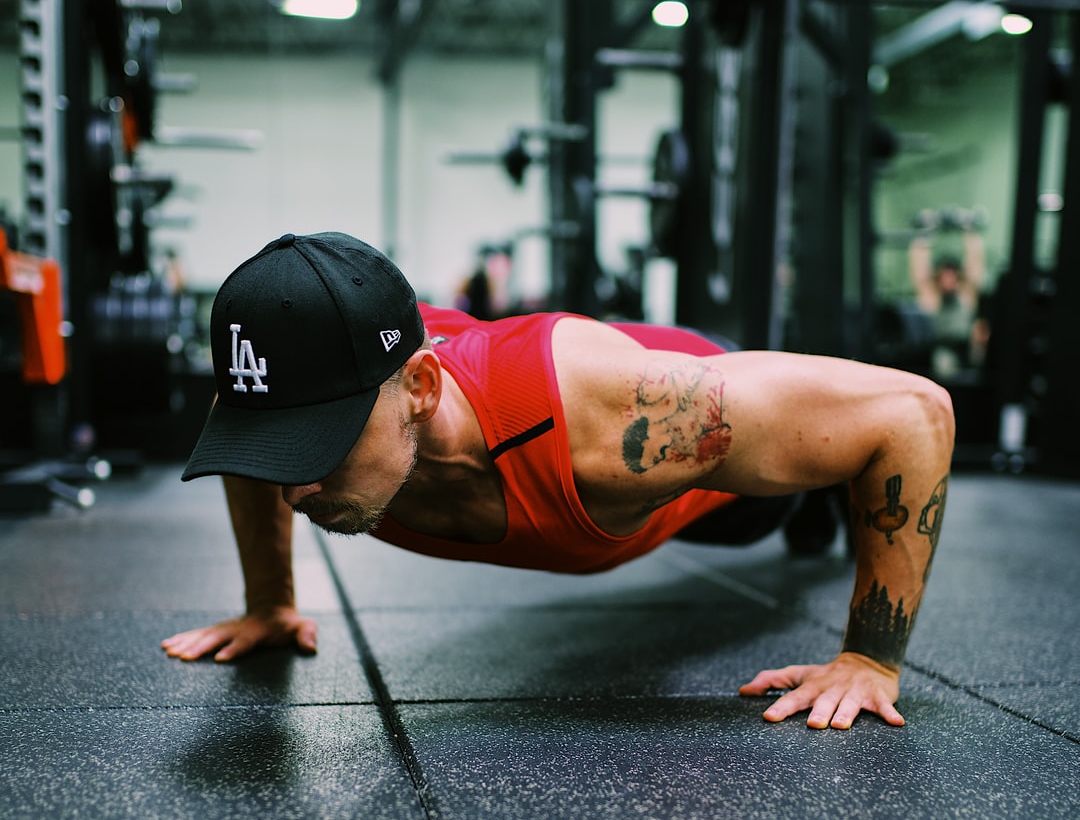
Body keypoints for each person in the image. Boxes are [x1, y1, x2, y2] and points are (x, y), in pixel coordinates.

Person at [163, 231, 955, 730]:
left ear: (422, 389)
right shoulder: (317, 394)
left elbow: (914, 413)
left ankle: (816, 496)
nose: (294, 489)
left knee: (778, 500)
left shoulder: (620, 429)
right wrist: (270, 599)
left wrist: (870, 661)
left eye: (319, 447)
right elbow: (244, 425)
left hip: (699, 451)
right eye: (277, 449)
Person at [908, 210, 988, 380]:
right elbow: (919, 271)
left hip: (968, 353)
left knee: (981, 330)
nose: (948, 280)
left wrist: (969, 231)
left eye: (952, 276)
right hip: (938, 354)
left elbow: (975, 264)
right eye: (944, 276)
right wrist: (923, 234)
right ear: (938, 278)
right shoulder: (932, 297)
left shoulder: (966, 295)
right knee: (943, 361)